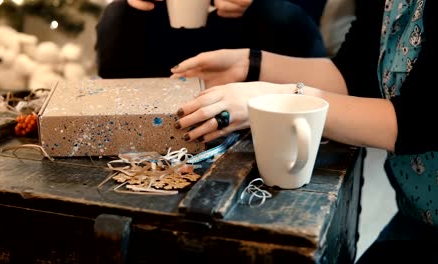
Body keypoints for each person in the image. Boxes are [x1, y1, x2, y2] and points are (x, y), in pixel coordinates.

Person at [170, 0, 438, 261]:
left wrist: (284, 99)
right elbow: (353, 75)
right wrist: (249, 63)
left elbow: (417, 123)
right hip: (415, 216)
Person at [95, 0, 327, 78]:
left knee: (281, 15)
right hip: (170, 30)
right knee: (119, 14)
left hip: (261, 37)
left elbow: (305, 15)